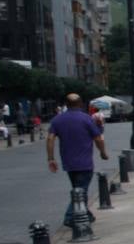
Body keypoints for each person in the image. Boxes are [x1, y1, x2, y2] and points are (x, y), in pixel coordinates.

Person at [47, 94, 109, 227]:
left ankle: (86, 214)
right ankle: (70, 217)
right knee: (82, 191)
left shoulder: (57, 120)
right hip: (85, 162)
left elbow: (50, 139)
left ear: (66, 104)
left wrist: (51, 158)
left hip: (68, 162)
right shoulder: (86, 119)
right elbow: (98, 138)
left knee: (77, 189)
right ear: (80, 104)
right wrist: (103, 152)